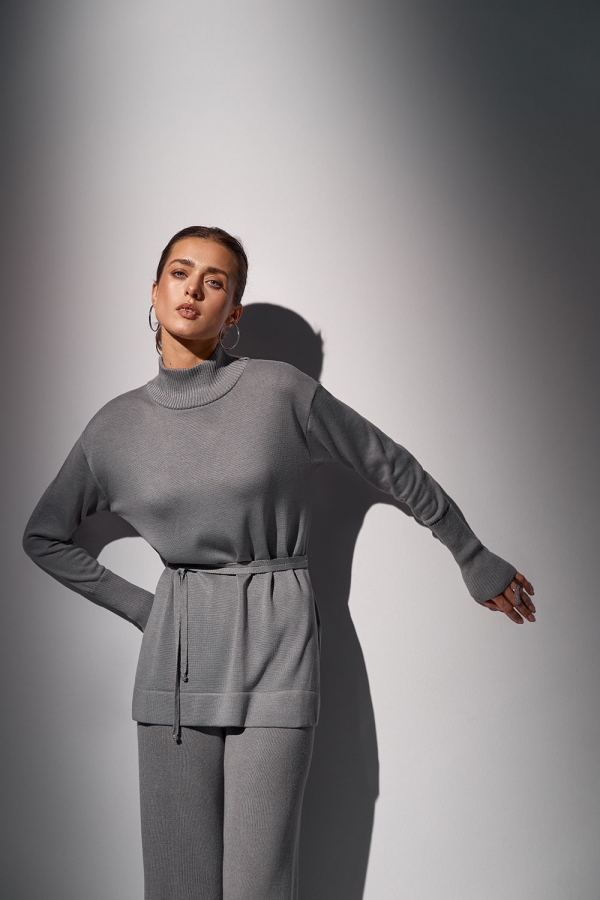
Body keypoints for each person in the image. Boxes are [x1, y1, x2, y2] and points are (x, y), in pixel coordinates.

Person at [22, 225, 536, 900]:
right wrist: (149, 610)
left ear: (232, 310)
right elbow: (44, 536)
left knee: (258, 886)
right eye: (180, 272)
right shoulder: (112, 428)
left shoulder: (280, 392)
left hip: (278, 644)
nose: (193, 289)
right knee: (178, 886)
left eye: (214, 281)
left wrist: (471, 555)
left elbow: (389, 464)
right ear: (154, 290)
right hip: (176, 662)